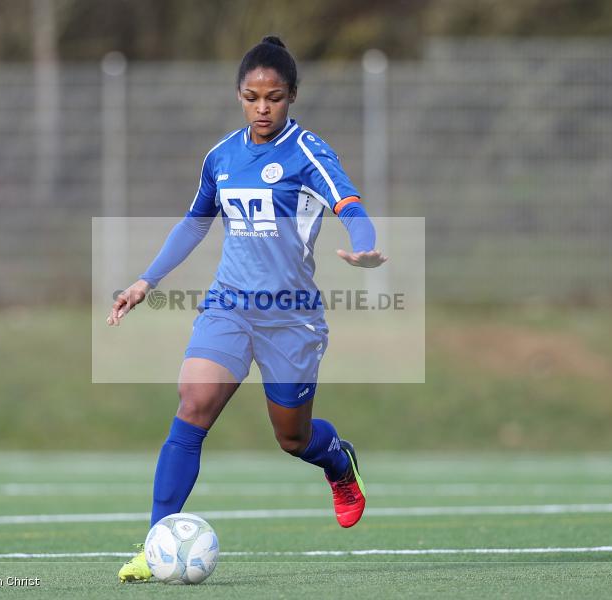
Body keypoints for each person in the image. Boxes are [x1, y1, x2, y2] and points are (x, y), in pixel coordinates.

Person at [109, 36, 387, 583]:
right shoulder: (221, 156)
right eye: (252, 96)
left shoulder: (308, 151)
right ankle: (155, 542)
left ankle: (337, 461)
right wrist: (147, 279)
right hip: (230, 305)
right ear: (239, 96)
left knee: (292, 438)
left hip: (291, 317)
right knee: (193, 404)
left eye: (275, 97)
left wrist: (365, 245)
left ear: (292, 97)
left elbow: (350, 206)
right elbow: (195, 223)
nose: (263, 107)